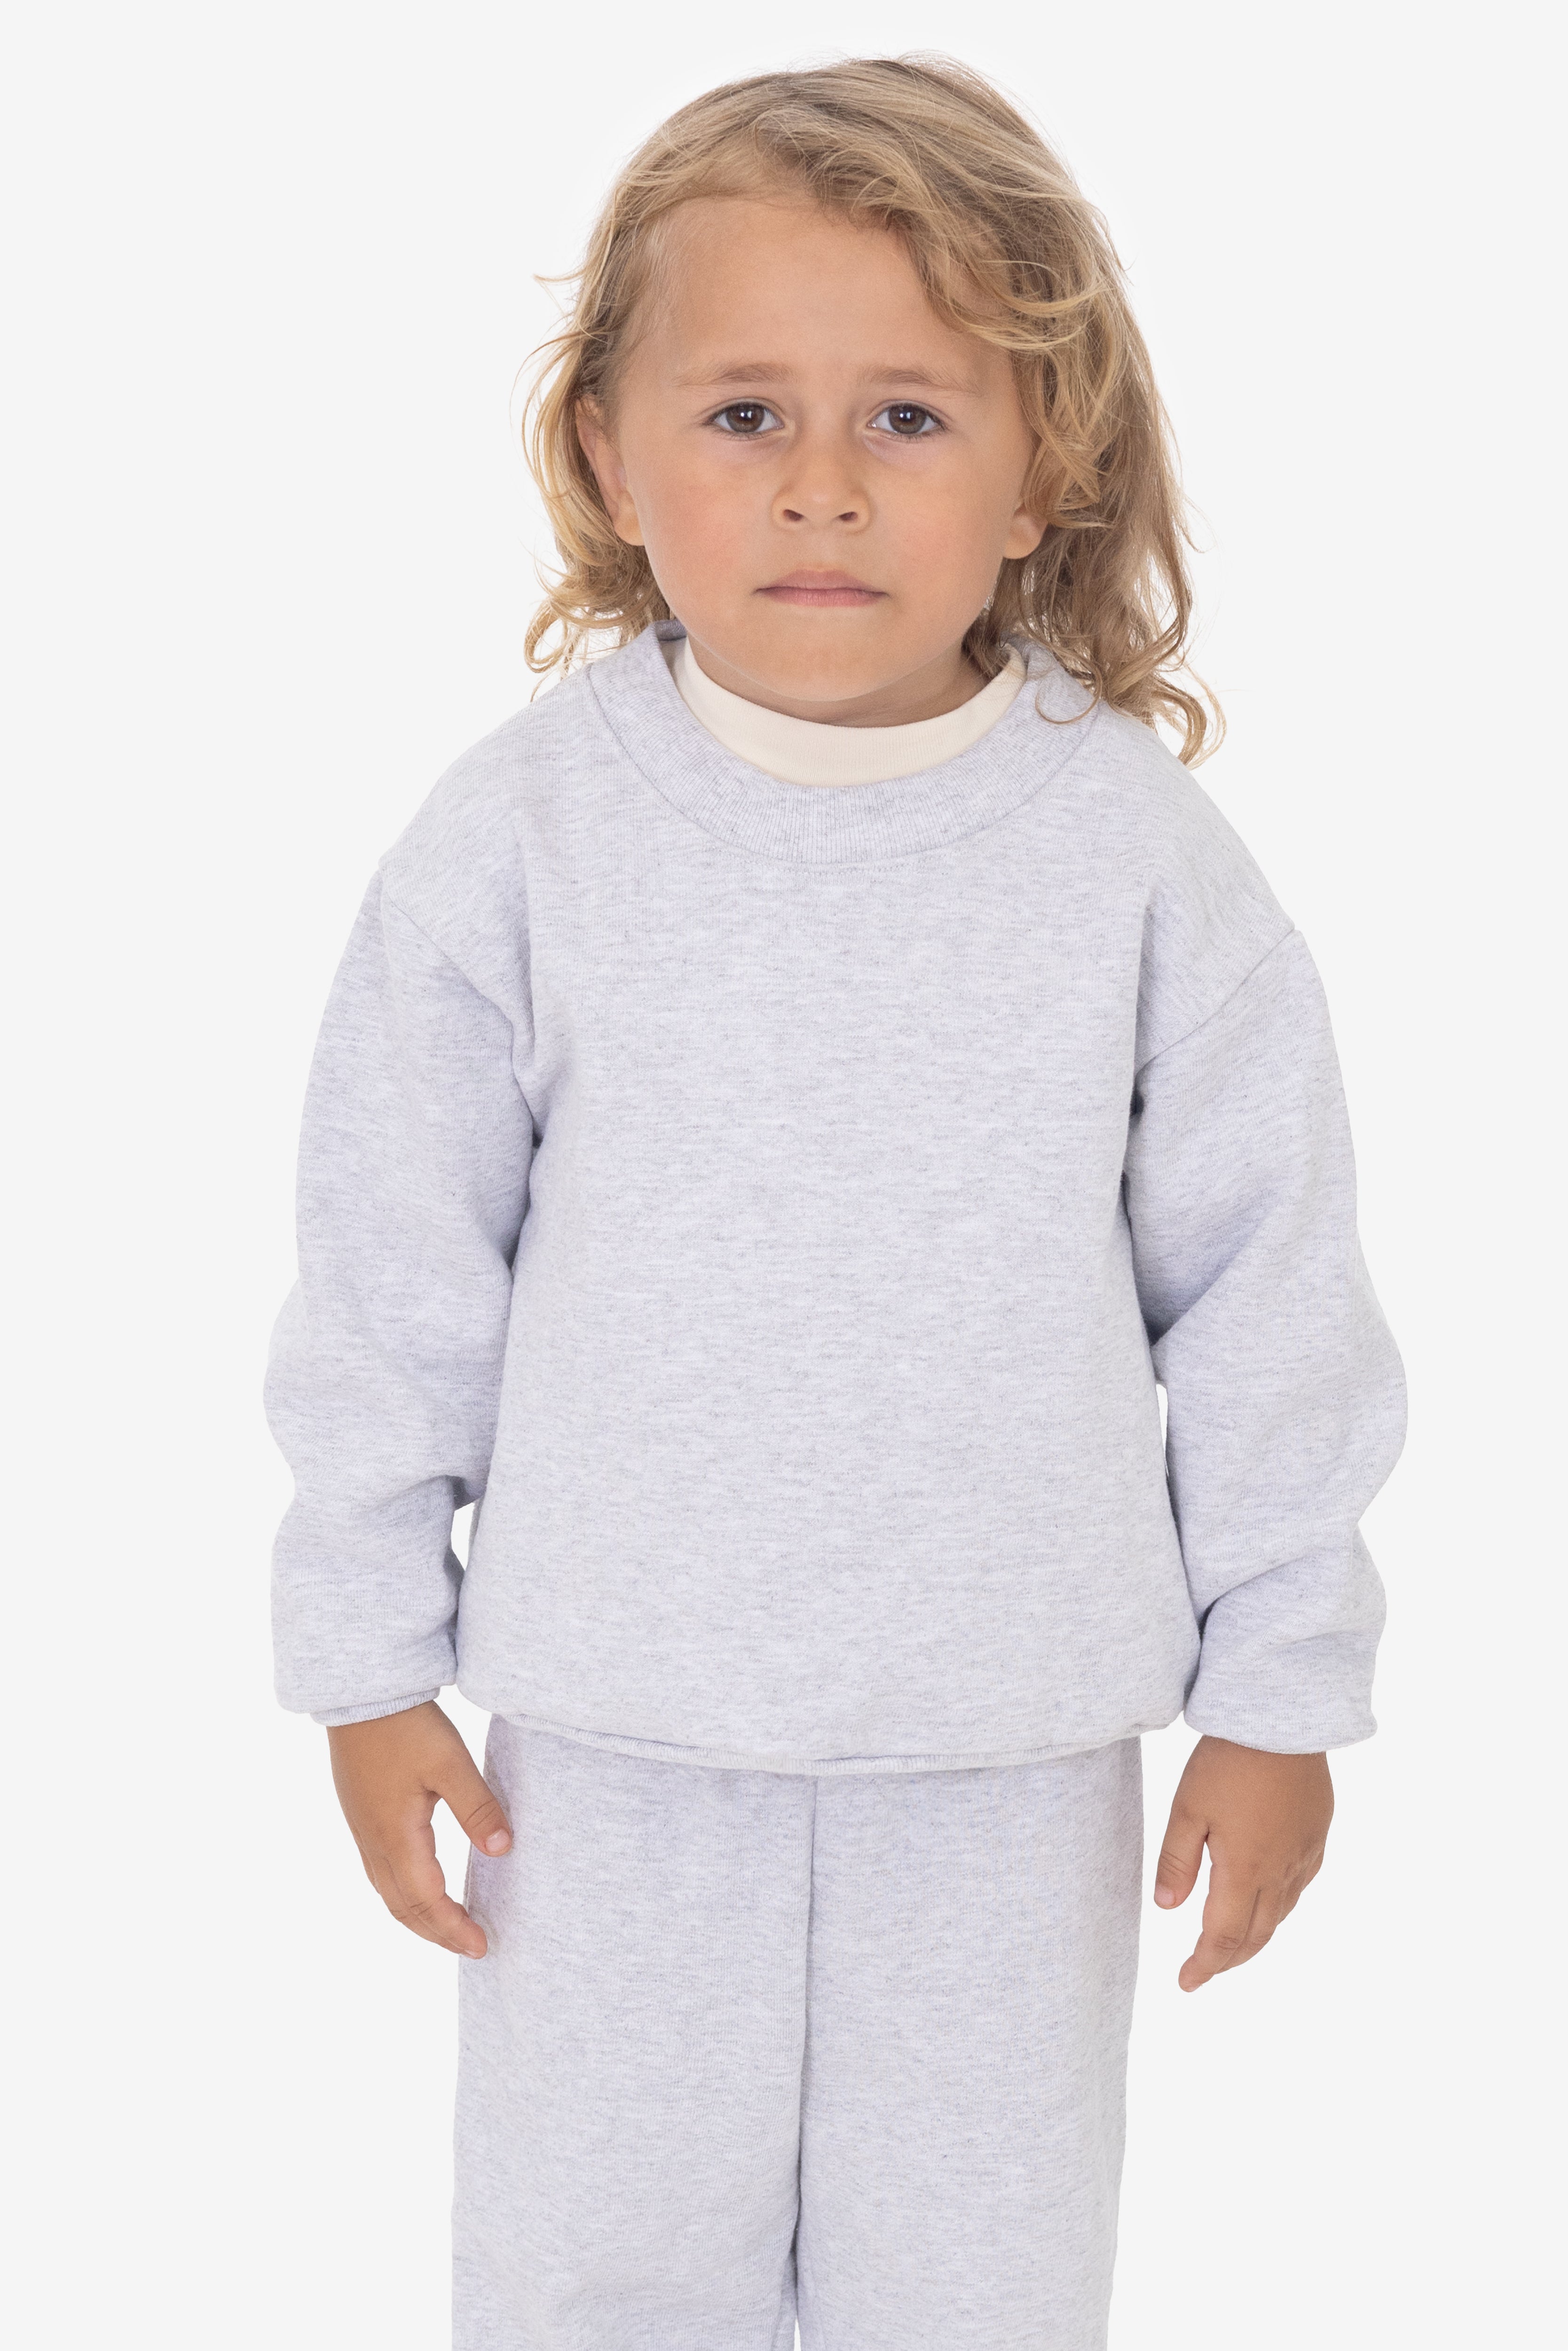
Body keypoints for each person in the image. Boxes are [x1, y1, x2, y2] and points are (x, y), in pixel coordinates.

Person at [267, 55, 1406, 2351]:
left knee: (981, 2297)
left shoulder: (1143, 865)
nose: (819, 483)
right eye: (742, 413)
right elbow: (393, 1277)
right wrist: (367, 1659)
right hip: (608, 1761)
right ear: (610, 454)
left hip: (1010, 1765)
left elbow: (1266, 1296)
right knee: (590, 2292)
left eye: (906, 414)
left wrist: (1285, 1688)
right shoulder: (516, 843)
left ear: (1045, 463)